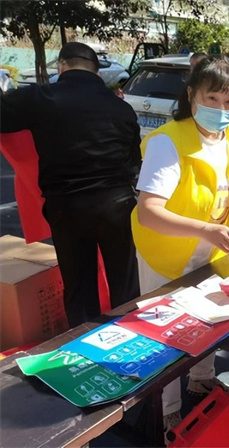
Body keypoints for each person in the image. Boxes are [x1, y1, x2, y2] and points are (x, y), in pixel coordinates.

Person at [130, 56, 229, 435]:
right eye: (211, 98)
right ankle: (167, 408)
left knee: (211, 319)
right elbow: (149, 212)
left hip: (210, 249)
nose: (221, 108)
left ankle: (202, 379)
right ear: (192, 96)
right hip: (166, 254)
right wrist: (205, 229)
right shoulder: (169, 142)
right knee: (168, 333)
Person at [0, 42, 141, 328]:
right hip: (116, 205)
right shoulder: (121, 107)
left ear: (62, 65)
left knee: (79, 286)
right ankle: (130, 336)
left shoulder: (41, 98)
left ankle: (83, 342)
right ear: (97, 72)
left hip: (67, 206)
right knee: (124, 282)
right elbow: (133, 160)